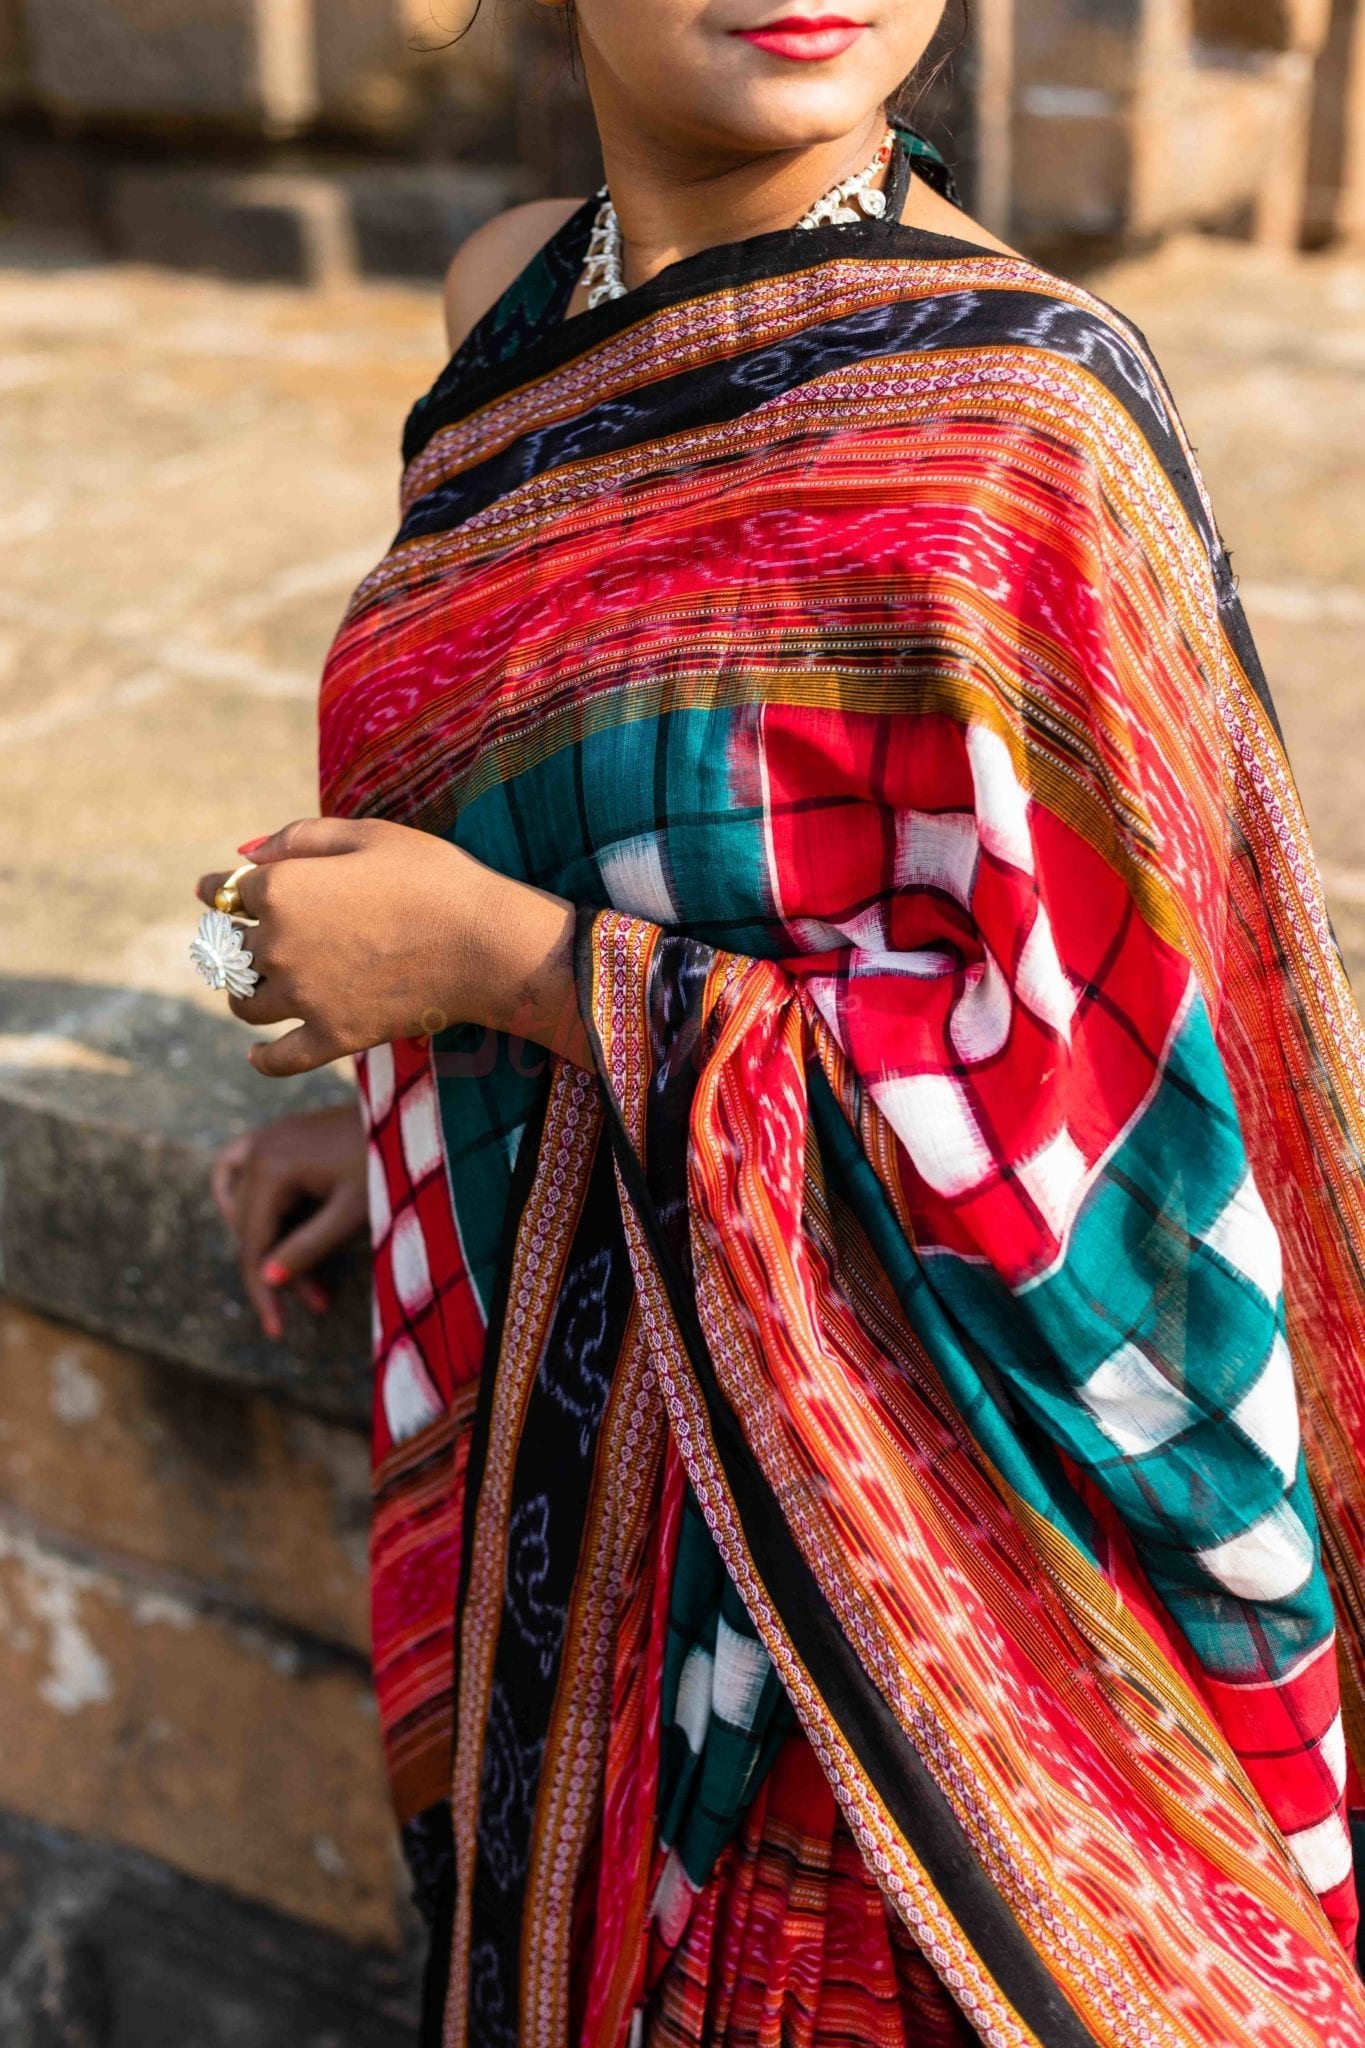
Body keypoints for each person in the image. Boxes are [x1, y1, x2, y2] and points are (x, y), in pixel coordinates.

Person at [193, 2, 1365, 2040]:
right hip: (581, 1492)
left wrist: (505, 973)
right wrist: (412, 1084)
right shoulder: (512, 300)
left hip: (892, 1641)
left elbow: (1099, 1145)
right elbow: (571, 786)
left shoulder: (1013, 421)